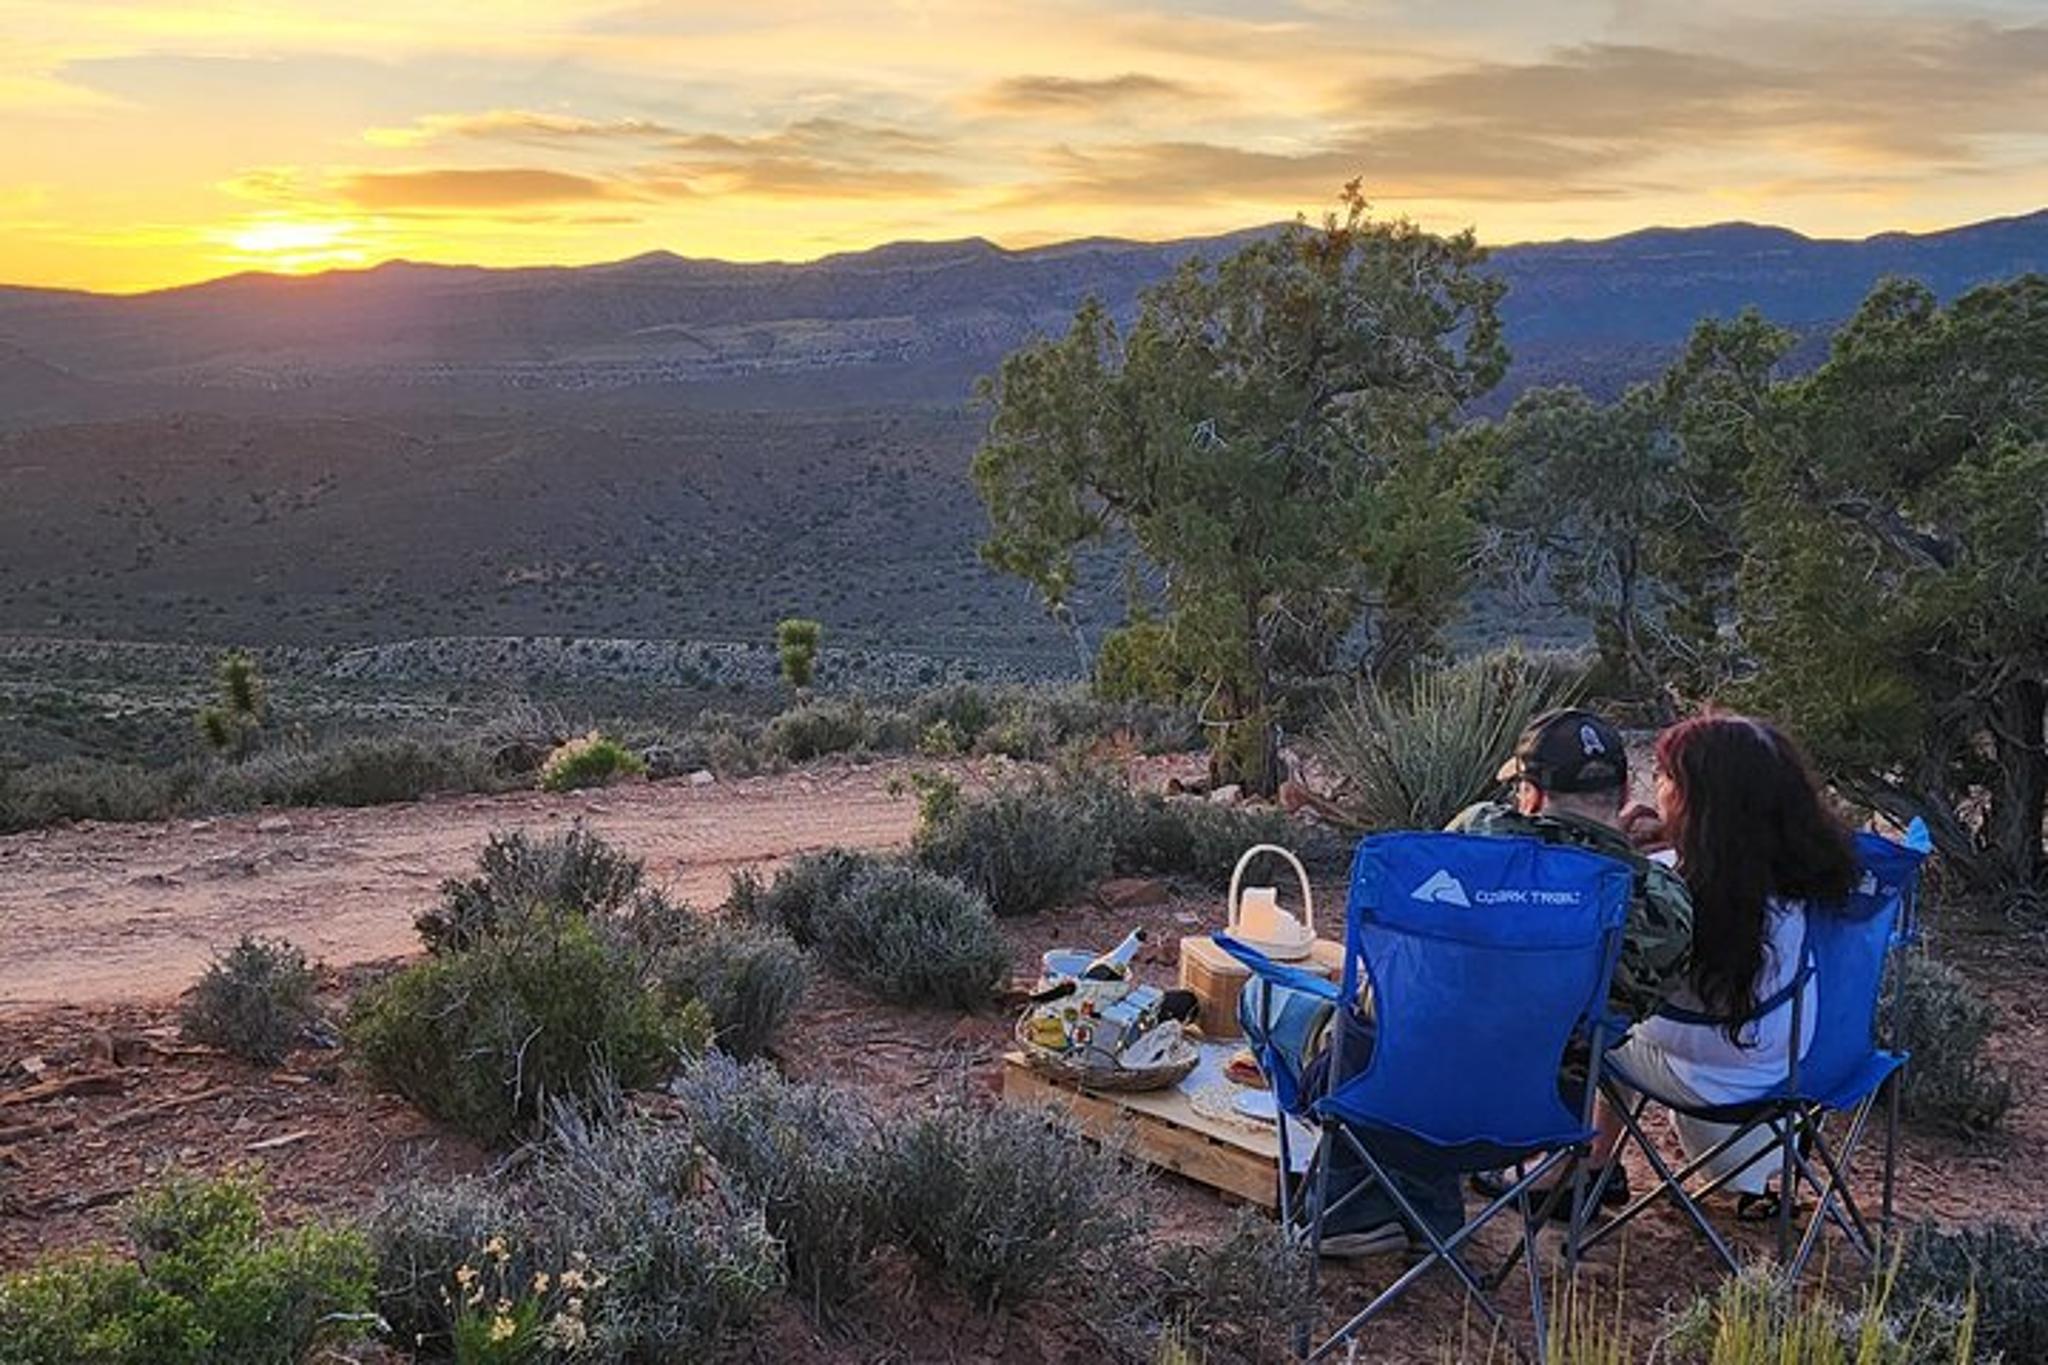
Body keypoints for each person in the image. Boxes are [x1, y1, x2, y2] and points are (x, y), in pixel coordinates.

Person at [1293, 708, 1693, 1256]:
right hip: (1537, 1117)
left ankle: (1351, 1209)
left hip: (1394, 1095)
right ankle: (1421, 1215)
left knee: (1306, 1015)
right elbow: (1629, 1011)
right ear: (1625, 791)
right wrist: (1611, 856)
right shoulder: (1665, 902)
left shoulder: (1479, 834)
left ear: (1528, 794)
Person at [1596, 713, 1859, 1215]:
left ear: (1702, 802)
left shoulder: (1659, 883)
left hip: (1705, 1078)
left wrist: (1618, 849)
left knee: (1596, 1023)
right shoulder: (1817, 875)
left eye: (1667, 777)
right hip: (1800, 1064)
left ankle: (1588, 1166)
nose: (1659, 788)